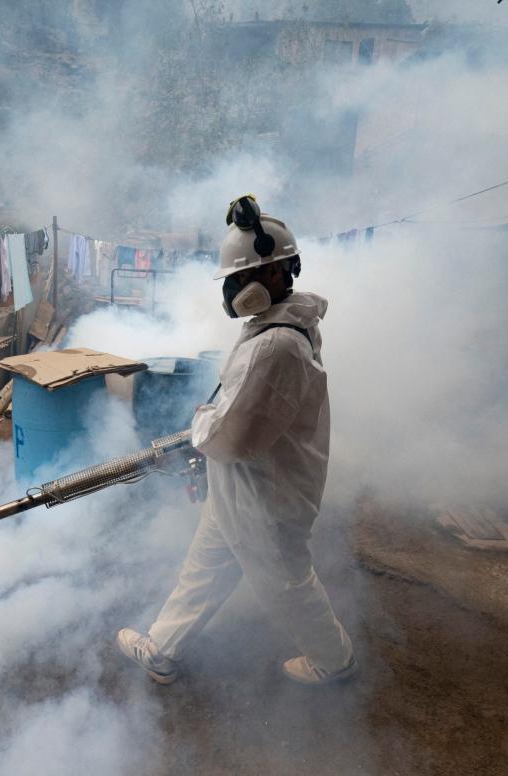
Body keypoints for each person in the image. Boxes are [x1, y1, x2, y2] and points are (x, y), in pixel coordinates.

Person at [117, 195, 355, 686]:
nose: (230, 289)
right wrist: (210, 437)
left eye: (237, 277)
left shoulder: (276, 344)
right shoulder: (280, 325)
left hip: (264, 496)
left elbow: (232, 436)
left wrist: (200, 427)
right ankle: (162, 651)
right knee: (205, 567)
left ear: (273, 274)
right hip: (246, 487)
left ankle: (335, 662)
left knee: (288, 583)